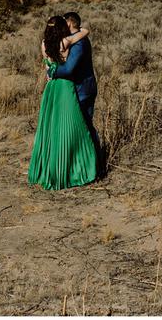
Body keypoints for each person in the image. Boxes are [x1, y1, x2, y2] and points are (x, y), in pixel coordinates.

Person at [26, 15, 97, 190]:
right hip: (65, 87)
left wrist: (51, 72)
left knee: (50, 127)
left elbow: (48, 70)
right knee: (70, 127)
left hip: (50, 88)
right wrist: (78, 29)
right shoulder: (65, 42)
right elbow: (84, 32)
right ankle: (75, 167)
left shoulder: (44, 44)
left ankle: (48, 168)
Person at [50, 10, 102, 175]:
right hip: (84, 88)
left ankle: (93, 166)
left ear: (70, 23)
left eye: (64, 23)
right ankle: (87, 165)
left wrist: (52, 71)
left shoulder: (79, 44)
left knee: (84, 127)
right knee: (84, 126)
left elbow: (69, 68)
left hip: (82, 90)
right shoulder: (78, 39)